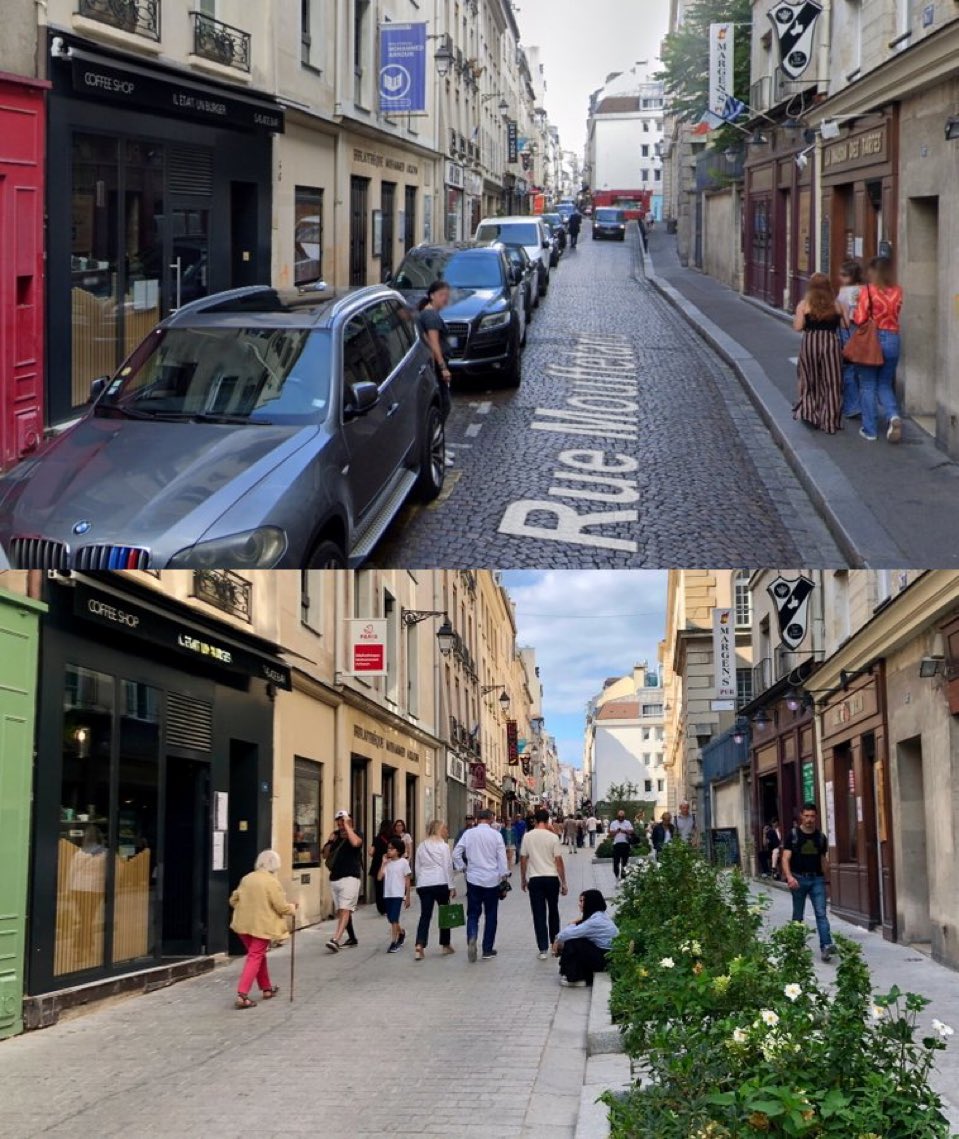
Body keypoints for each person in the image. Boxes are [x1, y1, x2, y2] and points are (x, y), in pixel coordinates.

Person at [229, 849, 297, 1009]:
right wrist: (292, 908)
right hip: (261, 926)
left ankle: (266, 988)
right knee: (255, 956)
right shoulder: (271, 882)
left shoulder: (247, 878)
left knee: (258, 955)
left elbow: (233, 899)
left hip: (243, 925)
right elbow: (281, 907)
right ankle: (242, 994)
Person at [853, 256, 904, 444]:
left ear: (873, 272)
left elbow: (859, 318)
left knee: (867, 384)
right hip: (893, 338)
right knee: (884, 383)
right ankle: (892, 416)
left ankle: (870, 430)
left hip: (872, 340)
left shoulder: (867, 291)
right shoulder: (898, 291)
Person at [781, 802, 836, 962]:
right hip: (798, 879)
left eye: (812, 816)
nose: (809, 819)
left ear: (816, 817)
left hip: (817, 879)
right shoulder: (793, 835)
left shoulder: (820, 837)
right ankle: (796, 946)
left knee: (821, 913)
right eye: (806, 816)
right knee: (798, 914)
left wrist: (828, 881)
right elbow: (785, 858)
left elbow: (823, 860)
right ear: (801, 817)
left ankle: (826, 946)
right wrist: (789, 877)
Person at [452, 808, 509, 962]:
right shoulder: (496, 835)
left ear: (478, 819)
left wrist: (462, 867)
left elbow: (456, 852)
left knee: (473, 913)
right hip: (492, 880)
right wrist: (504, 877)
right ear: (491, 819)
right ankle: (487, 949)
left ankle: (472, 936)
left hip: (473, 879)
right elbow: (502, 859)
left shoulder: (469, 833)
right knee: (491, 914)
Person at [792, 273, 844, 435]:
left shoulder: (804, 304)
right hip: (831, 343)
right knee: (832, 382)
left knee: (809, 379)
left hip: (811, 342)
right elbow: (845, 324)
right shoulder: (836, 304)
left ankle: (810, 413)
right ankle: (829, 420)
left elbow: (798, 327)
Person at [520, 807, 568, 960]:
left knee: (539, 913)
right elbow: (558, 860)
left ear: (534, 820)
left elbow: (523, 859)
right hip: (551, 878)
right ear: (548, 820)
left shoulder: (527, 837)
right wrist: (564, 882)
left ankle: (542, 949)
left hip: (535, 879)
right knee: (553, 911)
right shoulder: (553, 837)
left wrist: (523, 879)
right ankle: (554, 944)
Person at [553, 888, 619, 987]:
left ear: (590, 902)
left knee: (573, 943)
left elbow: (567, 934)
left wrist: (557, 940)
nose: (580, 904)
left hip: (605, 959)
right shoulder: (600, 915)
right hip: (607, 956)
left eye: (583, 901)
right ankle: (580, 974)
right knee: (577, 940)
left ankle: (576, 978)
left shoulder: (595, 922)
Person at [414, 819, 457, 960]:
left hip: (424, 883)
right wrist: (451, 886)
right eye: (444, 828)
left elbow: (418, 867)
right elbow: (447, 867)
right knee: (445, 913)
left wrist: (419, 882)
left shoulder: (421, 846)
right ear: (439, 829)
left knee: (425, 915)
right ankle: (445, 944)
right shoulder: (443, 846)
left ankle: (420, 944)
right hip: (440, 882)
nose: (446, 831)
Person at [322, 810, 364, 952]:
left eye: (343, 821)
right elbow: (325, 855)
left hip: (351, 877)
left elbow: (356, 843)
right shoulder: (335, 837)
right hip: (335, 878)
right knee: (342, 911)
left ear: (350, 821)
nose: (340, 824)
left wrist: (348, 828)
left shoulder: (357, 834)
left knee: (345, 909)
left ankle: (335, 939)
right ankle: (352, 938)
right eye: (339, 822)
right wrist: (329, 841)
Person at [418, 280, 453, 423]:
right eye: (441, 295)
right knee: (445, 405)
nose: (445, 299)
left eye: (447, 295)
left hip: (434, 366)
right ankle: (434, 438)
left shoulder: (428, 313)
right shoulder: (430, 315)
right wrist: (443, 367)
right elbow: (434, 343)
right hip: (437, 367)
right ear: (432, 295)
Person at [836, 260, 864, 419]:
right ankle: (861, 402)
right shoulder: (865, 289)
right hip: (863, 331)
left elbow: (843, 314)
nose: (840, 278)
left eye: (843, 275)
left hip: (848, 330)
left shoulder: (844, 292)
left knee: (848, 369)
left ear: (850, 276)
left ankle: (852, 405)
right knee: (861, 370)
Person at [378, 836, 412, 953]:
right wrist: (383, 864)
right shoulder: (387, 863)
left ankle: (393, 942)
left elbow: (407, 881)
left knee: (393, 919)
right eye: (388, 849)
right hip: (388, 894)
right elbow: (379, 877)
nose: (389, 851)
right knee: (391, 918)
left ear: (398, 850)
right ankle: (401, 933)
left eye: (391, 849)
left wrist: (407, 896)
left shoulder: (403, 863)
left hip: (398, 894)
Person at [369, 818, 394, 917]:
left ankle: (381, 908)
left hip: (377, 866)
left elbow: (371, 852)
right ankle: (388, 906)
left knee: (379, 888)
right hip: (389, 866)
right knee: (388, 887)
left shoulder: (377, 838)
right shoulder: (394, 839)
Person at [608, 810, 634, 880]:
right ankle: (616, 875)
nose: (621, 818)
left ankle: (623, 877)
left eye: (622, 817)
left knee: (624, 862)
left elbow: (631, 831)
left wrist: (624, 831)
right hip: (617, 845)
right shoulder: (613, 823)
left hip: (625, 845)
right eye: (619, 816)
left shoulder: (627, 822)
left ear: (624, 816)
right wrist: (617, 831)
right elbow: (610, 834)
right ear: (617, 816)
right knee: (616, 862)